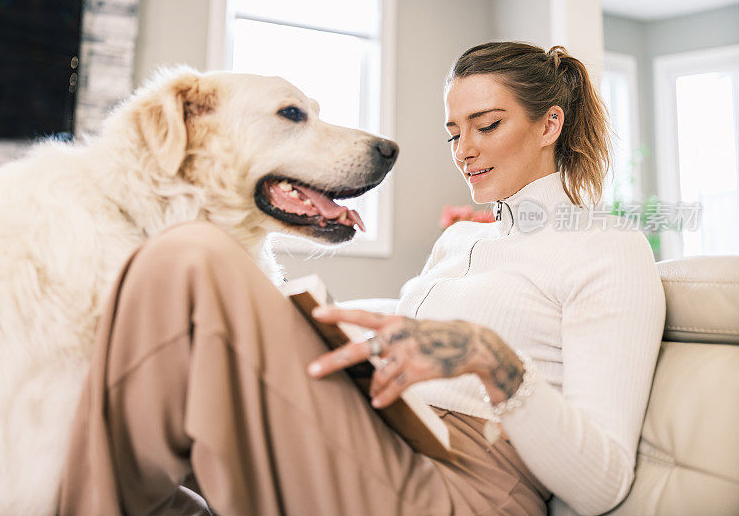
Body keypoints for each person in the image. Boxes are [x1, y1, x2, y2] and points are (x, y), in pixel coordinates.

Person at [57, 42, 666, 516]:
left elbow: (604, 483)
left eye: (487, 125)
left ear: (549, 125)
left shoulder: (608, 249)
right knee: (180, 288)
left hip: (466, 487)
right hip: (382, 434)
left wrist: (490, 358)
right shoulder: (460, 240)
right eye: (454, 132)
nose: (464, 150)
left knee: (194, 252)